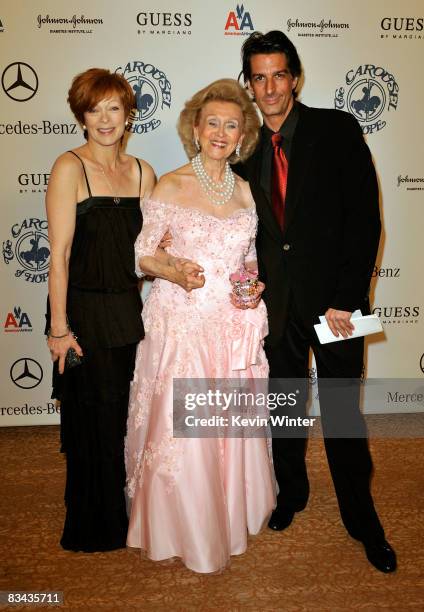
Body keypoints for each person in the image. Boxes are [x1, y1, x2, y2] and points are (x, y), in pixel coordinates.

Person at [234, 30, 396, 573]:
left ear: (295, 77)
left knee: (345, 413)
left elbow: (366, 220)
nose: (270, 86)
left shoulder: (337, 128)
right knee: (284, 408)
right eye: (259, 76)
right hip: (275, 307)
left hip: (336, 306)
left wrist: (347, 299)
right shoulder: (244, 147)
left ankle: (362, 517)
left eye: (279, 74)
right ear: (249, 84)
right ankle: (292, 495)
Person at [125, 79, 276, 573]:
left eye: (231, 125)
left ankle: (226, 516)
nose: (220, 132)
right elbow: (144, 254)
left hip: (229, 328)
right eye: (212, 122)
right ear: (195, 127)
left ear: (242, 136)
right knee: (183, 435)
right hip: (181, 324)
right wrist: (175, 270)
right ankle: (184, 528)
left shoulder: (248, 192)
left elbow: (248, 263)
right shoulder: (170, 183)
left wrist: (251, 287)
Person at [46, 68, 155, 552]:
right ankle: (93, 527)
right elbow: (60, 255)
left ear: (128, 114)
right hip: (84, 315)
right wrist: (58, 328)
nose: (105, 119)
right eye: (95, 109)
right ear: (82, 116)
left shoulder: (142, 172)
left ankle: (126, 514)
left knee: (125, 421)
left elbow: (149, 254)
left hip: (129, 314)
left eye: (114, 108)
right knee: (90, 422)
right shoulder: (70, 166)